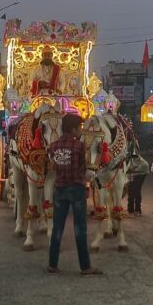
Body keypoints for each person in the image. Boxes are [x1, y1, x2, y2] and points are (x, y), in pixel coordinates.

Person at [45, 114, 103, 275]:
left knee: (57, 228)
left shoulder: (54, 146)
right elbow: (82, 169)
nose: (81, 130)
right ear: (73, 128)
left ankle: (52, 263)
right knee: (80, 229)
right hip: (76, 189)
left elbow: (54, 167)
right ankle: (85, 266)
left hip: (60, 189)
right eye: (79, 127)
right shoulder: (79, 146)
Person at [126, 150, 150, 216]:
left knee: (132, 190)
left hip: (140, 171)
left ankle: (131, 210)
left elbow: (130, 170)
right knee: (137, 190)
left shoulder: (129, 156)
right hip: (143, 170)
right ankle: (137, 210)